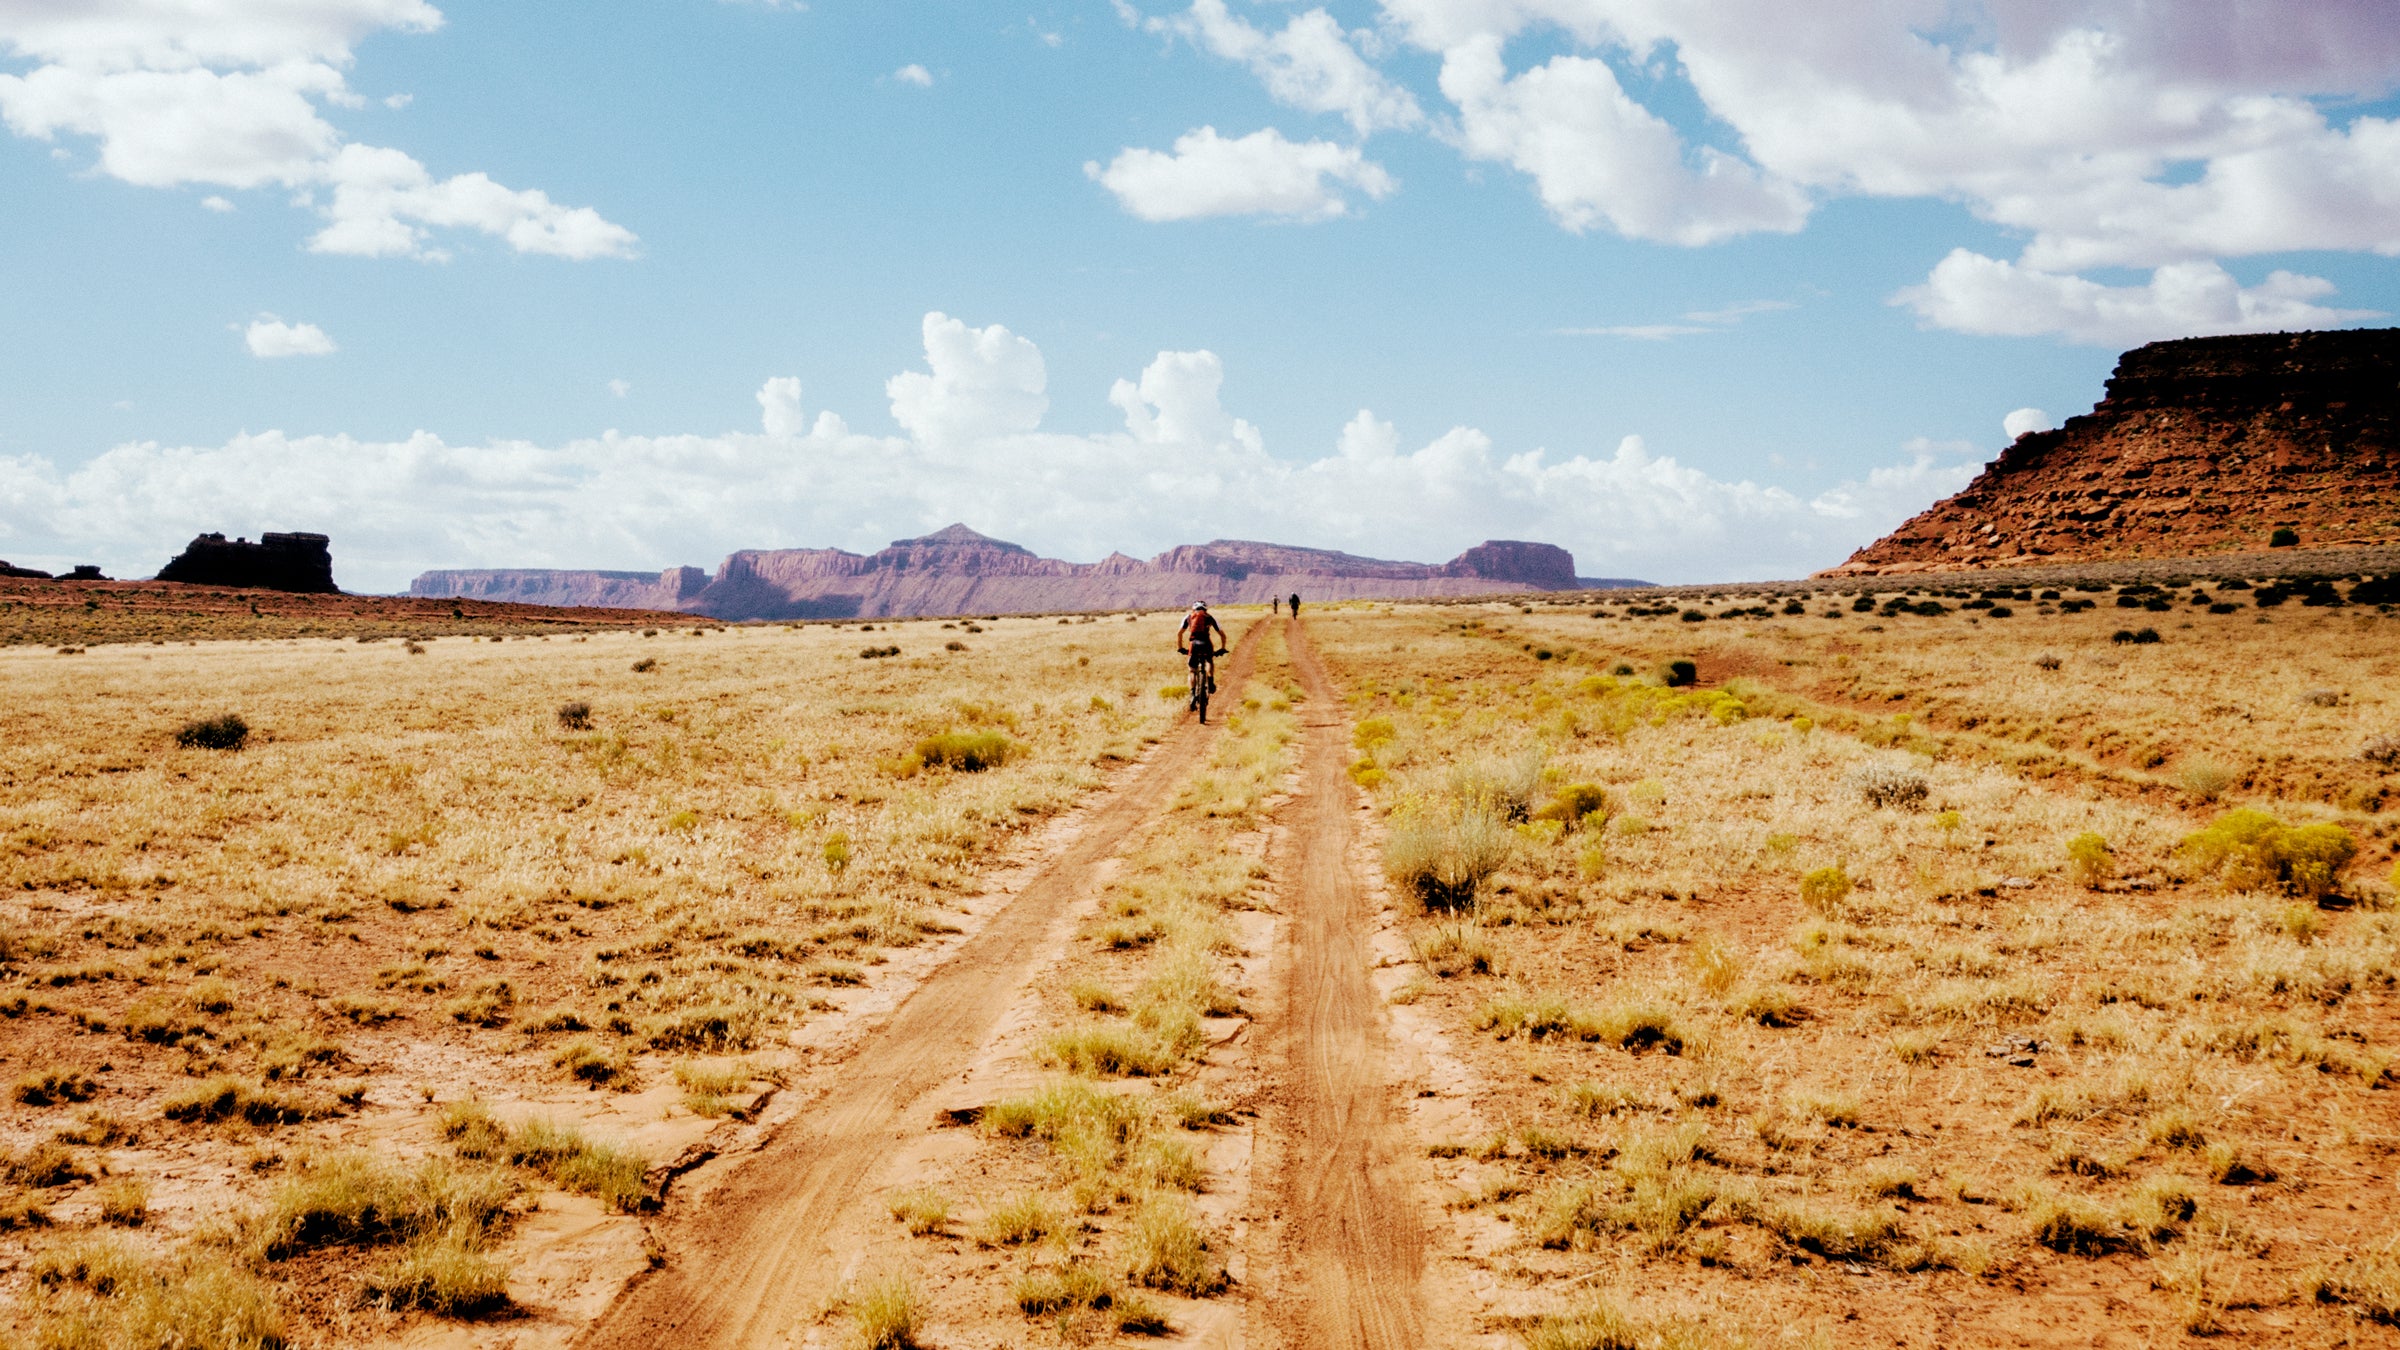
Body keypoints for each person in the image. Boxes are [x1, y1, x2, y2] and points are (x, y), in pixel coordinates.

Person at [1178, 601, 1227, 695]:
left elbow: (1179, 633)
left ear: (1193, 609)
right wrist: (1222, 648)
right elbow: (1222, 635)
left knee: (1192, 670)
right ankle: (1211, 681)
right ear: (1206, 609)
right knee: (1209, 661)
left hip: (1194, 644)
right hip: (1206, 644)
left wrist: (1180, 647)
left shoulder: (1188, 617)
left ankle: (1192, 694)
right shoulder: (1210, 618)